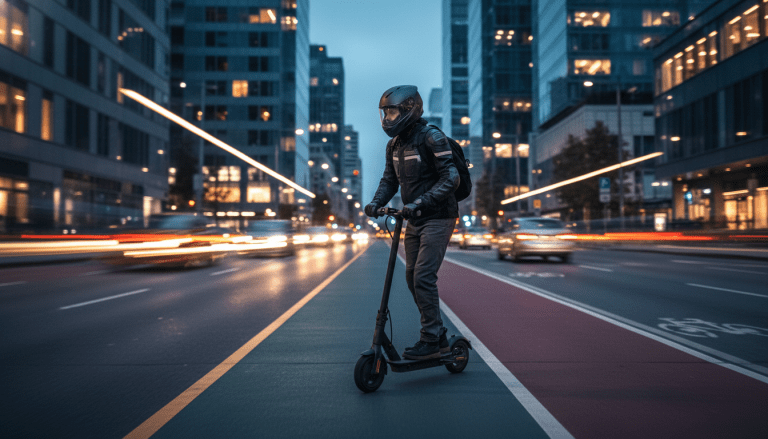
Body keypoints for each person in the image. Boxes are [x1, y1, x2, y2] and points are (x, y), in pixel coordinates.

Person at [364, 85, 460, 360]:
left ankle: (431, 338)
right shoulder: (393, 145)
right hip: (413, 218)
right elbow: (389, 180)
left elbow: (450, 178)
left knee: (423, 276)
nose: (387, 118)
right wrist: (375, 203)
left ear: (408, 109)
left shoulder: (432, 137)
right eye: (385, 113)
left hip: (438, 216)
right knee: (411, 277)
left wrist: (421, 202)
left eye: (392, 112)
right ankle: (437, 333)